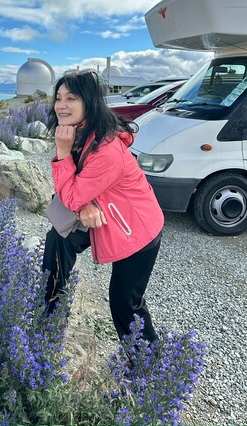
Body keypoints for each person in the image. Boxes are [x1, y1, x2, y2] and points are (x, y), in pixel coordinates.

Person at [42, 70, 164, 344]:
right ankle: (49, 318)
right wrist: (84, 203)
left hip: (136, 228)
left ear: (89, 101)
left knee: (125, 303)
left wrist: (63, 154)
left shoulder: (106, 149)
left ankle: (148, 364)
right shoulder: (81, 132)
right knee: (58, 239)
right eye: (58, 98)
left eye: (71, 98)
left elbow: (71, 194)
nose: (61, 105)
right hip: (105, 214)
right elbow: (71, 189)